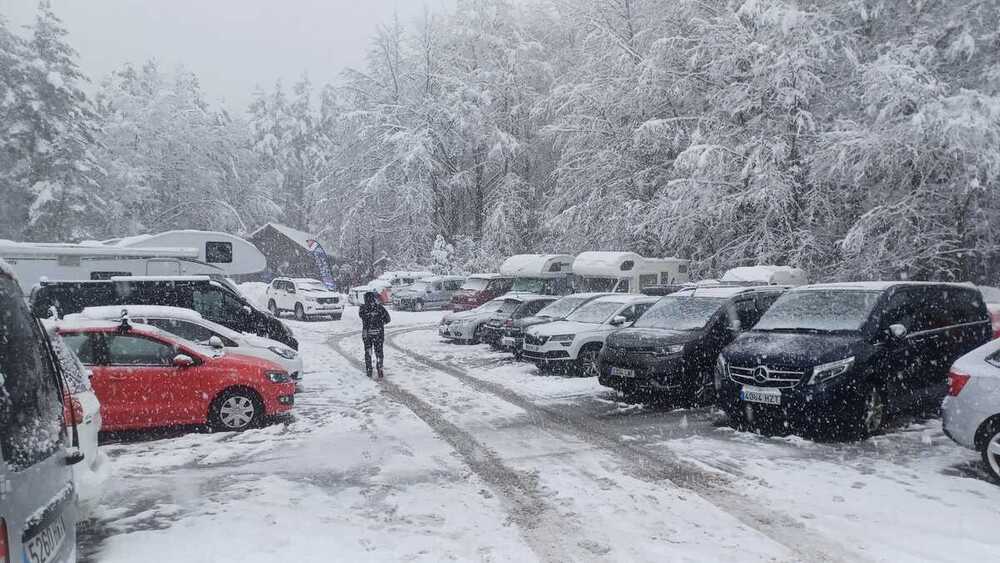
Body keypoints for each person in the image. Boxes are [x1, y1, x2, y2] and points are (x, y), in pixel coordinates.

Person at [359, 291, 391, 379]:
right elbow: (388, 319)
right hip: (379, 333)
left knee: (368, 351)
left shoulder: (362, 308)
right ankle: (379, 367)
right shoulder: (380, 308)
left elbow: (361, 316)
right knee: (379, 351)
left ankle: (369, 369)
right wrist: (380, 323)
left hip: (367, 333)